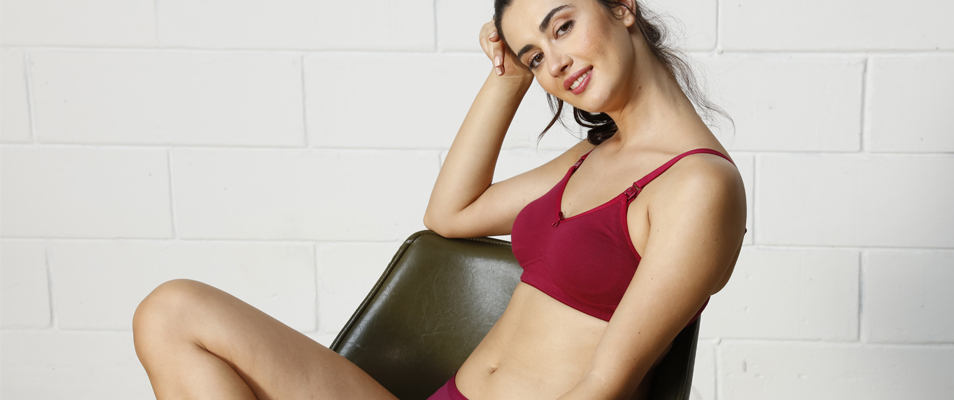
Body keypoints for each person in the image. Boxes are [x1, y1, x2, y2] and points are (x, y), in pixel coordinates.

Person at [131, 0, 746, 399]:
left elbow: (604, 387)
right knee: (173, 311)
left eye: (563, 26)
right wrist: (507, 77)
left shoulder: (698, 186)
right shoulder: (592, 156)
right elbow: (451, 214)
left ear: (622, 7)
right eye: (535, 56)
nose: (555, 63)